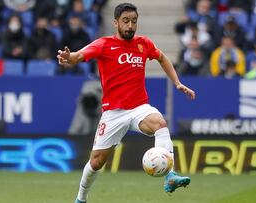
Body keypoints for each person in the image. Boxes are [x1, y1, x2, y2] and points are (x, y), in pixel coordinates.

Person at [57, 3, 195, 203]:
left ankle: (170, 175)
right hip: (113, 113)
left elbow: (163, 58)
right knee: (96, 162)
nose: (130, 25)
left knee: (160, 123)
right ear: (116, 23)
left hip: (139, 108)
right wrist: (69, 57)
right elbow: (79, 56)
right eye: (126, 21)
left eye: (134, 21)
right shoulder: (103, 44)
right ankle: (81, 198)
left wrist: (177, 82)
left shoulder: (144, 44)